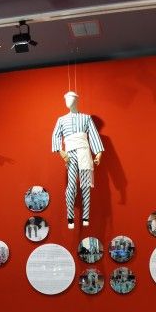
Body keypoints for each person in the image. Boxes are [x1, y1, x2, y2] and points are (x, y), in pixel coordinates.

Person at [51, 91, 104, 229]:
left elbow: (93, 135)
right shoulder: (61, 120)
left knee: (85, 185)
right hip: (70, 155)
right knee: (71, 185)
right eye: (66, 98)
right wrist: (60, 151)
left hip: (84, 152)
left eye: (71, 98)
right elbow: (55, 135)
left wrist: (98, 153)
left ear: (76, 100)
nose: (68, 101)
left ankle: (86, 217)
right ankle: (70, 217)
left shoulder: (86, 118)